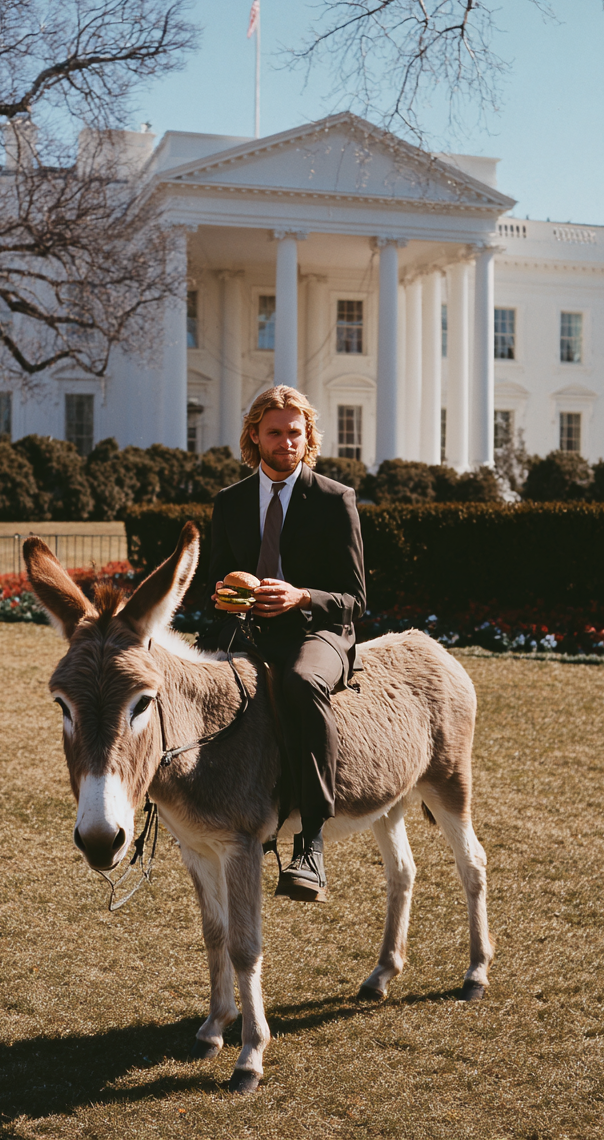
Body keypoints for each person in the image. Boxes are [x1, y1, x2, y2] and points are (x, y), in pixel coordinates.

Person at [205, 385, 366, 902]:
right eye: (275, 432)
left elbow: (355, 598)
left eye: (295, 432)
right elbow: (214, 581)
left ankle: (310, 841)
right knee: (187, 675)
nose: (286, 442)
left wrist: (300, 597)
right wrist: (225, 597)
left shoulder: (334, 499)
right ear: (255, 435)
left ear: (308, 435)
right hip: (247, 628)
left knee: (298, 681)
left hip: (318, 631)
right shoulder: (228, 503)